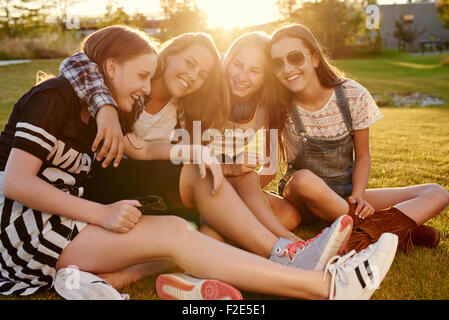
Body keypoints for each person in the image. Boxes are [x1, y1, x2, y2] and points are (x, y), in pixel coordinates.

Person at [0, 25, 399, 301]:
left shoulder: (119, 107)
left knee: (183, 227)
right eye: (141, 75)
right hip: (25, 231)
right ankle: (323, 282)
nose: (143, 88)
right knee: (183, 228)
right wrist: (100, 213)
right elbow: (16, 182)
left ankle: (299, 267)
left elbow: (138, 149)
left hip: (66, 226)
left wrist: (195, 152)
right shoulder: (59, 97)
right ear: (113, 68)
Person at [267, 24, 449, 253]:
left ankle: (366, 234)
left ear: (314, 58)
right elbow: (270, 165)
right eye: (277, 63)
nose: (287, 68)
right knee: (304, 179)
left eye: (295, 57)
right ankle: (391, 230)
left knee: (437, 193)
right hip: (300, 199)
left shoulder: (353, 95)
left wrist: (358, 195)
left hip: (345, 197)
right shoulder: (279, 105)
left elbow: (363, 156)